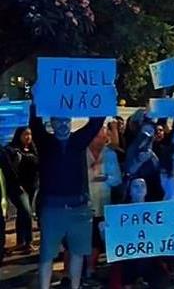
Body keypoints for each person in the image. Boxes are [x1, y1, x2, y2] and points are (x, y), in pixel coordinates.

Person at [29, 103, 105, 289]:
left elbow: (96, 122)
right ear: (52, 124)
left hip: (78, 209)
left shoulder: (78, 141)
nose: (63, 125)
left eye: (66, 121)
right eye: (58, 122)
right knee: (46, 254)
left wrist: (106, 94)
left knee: (78, 252)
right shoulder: (44, 141)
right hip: (52, 209)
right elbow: (34, 121)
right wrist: (36, 99)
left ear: (71, 123)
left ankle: (75, 286)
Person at [85, 126, 122, 281]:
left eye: (102, 137)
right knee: (87, 240)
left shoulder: (110, 154)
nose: (100, 140)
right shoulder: (81, 153)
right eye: (96, 137)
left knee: (98, 240)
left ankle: (92, 269)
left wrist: (106, 177)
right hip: (84, 205)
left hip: (104, 204)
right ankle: (86, 270)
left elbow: (117, 179)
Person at [5, 127, 39, 254]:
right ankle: (27, 241)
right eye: (25, 134)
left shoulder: (33, 149)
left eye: (30, 134)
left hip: (31, 186)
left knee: (23, 213)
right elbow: (10, 168)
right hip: (18, 187)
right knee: (26, 211)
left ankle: (22, 241)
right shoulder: (12, 150)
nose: (28, 137)